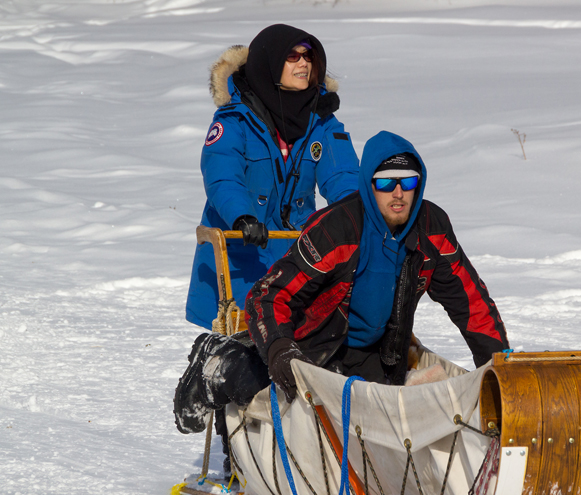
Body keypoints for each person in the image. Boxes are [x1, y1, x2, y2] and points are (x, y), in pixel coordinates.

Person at [174, 131, 508, 435]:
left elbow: (471, 302)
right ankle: (219, 362)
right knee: (259, 387)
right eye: (386, 182)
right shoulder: (338, 230)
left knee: (387, 422)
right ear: (368, 183)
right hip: (310, 347)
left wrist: (501, 369)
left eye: (408, 183)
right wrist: (281, 351)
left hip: (377, 354)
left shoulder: (431, 228)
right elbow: (267, 296)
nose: (398, 193)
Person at [186, 24, 359, 330]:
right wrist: (242, 217)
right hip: (241, 247)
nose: (304, 63)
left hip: (298, 249)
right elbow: (222, 176)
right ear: (270, 62)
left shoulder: (322, 121)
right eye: (293, 56)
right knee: (249, 339)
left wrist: (356, 214)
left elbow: (343, 175)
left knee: (311, 331)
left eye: (309, 56)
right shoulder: (235, 119)